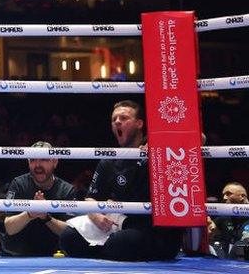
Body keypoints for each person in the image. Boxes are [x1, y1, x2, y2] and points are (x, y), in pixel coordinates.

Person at [59, 100, 182, 261]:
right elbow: (91, 198)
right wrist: (95, 215)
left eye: (123, 118)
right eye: (114, 119)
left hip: (148, 227)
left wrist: (161, 148)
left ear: (139, 123)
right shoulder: (109, 161)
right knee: (69, 236)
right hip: (118, 224)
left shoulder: (156, 150)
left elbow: (199, 139)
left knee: (122, 242)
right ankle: (110, 251)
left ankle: (107, 251)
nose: (117, 121)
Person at [2, 142, 77, 256]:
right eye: (33, 160)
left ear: (55, 162)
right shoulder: (18, 184)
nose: (37, 165)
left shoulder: (67, 190)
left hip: (54, 256)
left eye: (43, 159)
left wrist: (46, 217)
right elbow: (9, 228)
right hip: (16, 255)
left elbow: (69, 233)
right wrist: (30, 214)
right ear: (28, 163)